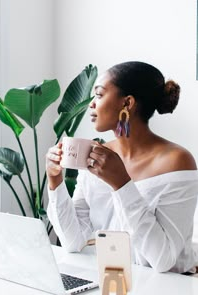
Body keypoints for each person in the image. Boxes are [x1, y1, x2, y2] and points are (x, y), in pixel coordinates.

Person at [46, 61, 198, 274]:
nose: (91, 104)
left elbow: (163, 260)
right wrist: (55, 181)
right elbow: (73, 241)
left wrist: (121, 184)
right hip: (111, 282)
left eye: (99, 95)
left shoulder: (177, 161)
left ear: (127, 103)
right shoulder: (96, 156)